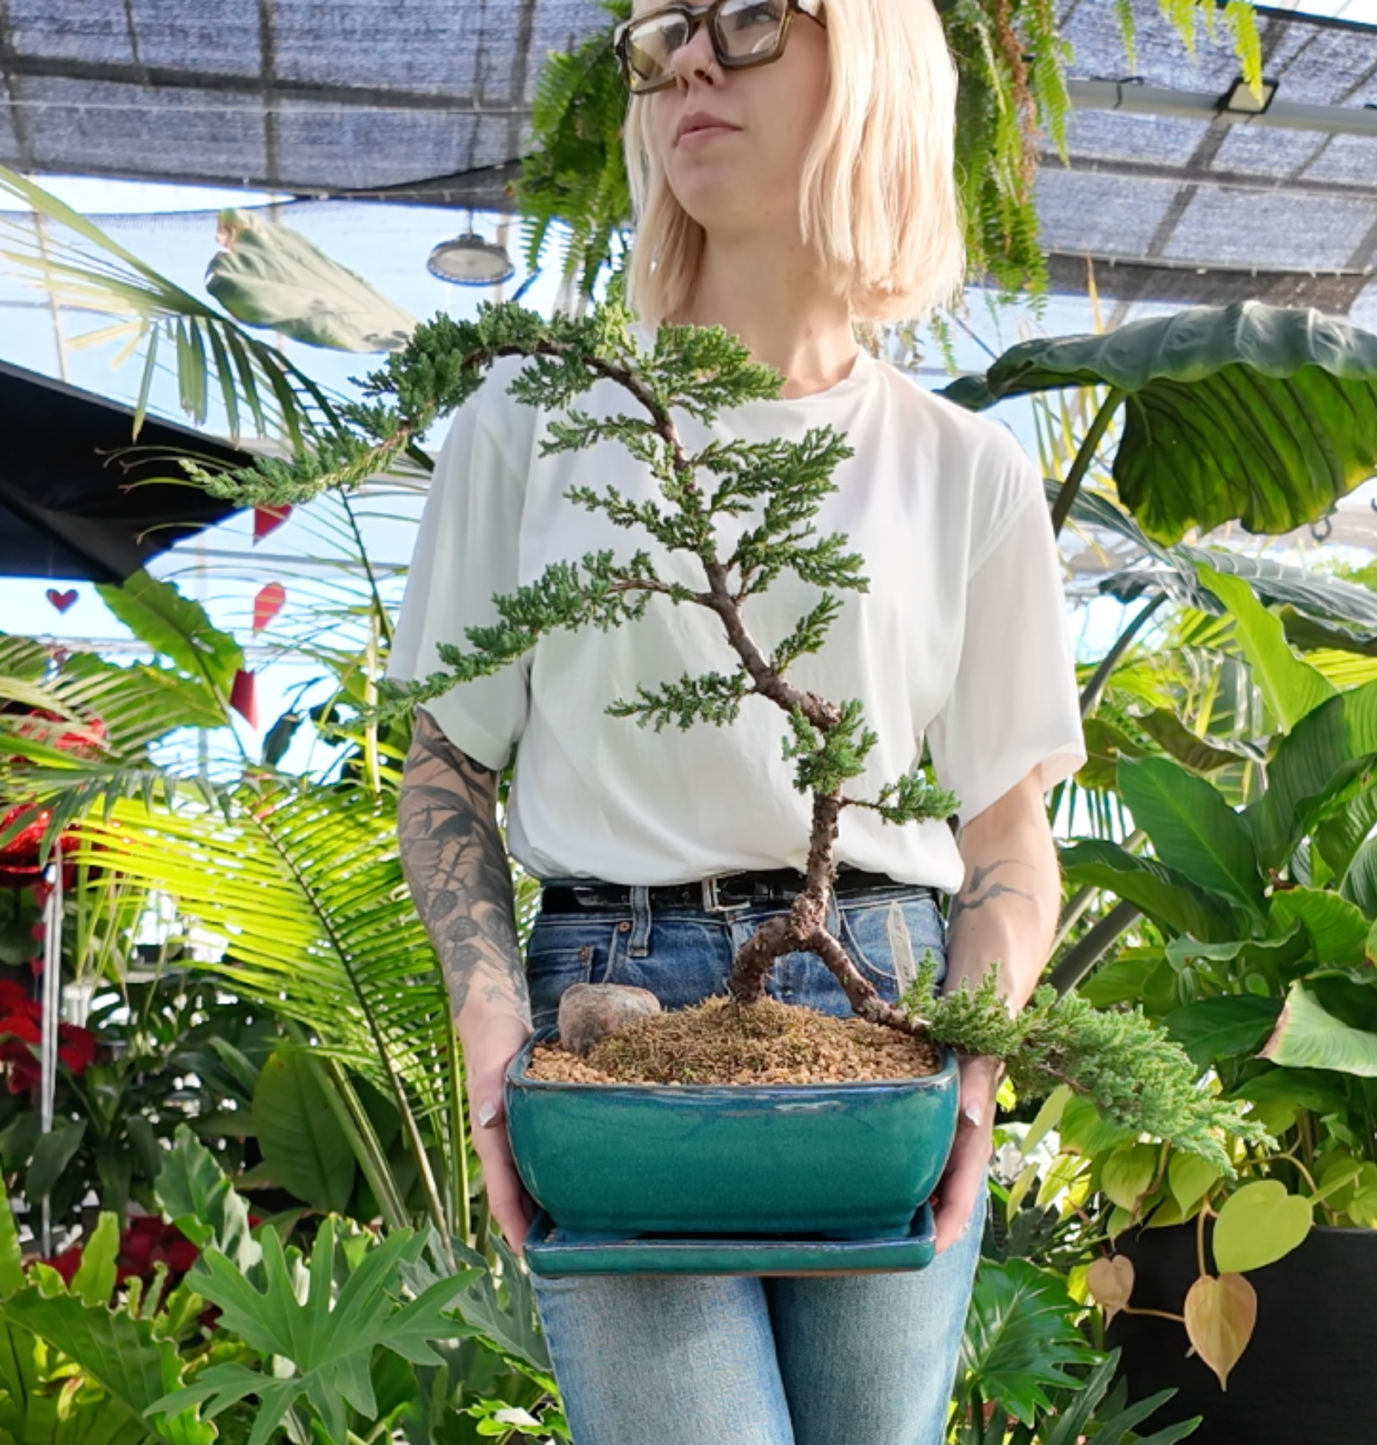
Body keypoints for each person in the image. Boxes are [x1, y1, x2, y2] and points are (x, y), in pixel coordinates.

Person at [388, 1, 1086, 1441]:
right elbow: (449, 759)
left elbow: (1006, 826)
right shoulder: (535, 420)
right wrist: (491, 1026)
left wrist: (974, 1065)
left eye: (755, 20)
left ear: (875, 55)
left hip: (882, 998)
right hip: (613, 1009)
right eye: (665, 31)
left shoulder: (965, 471)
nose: (691, 61)